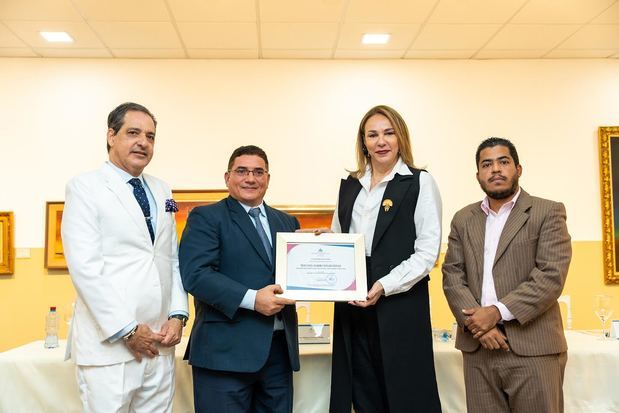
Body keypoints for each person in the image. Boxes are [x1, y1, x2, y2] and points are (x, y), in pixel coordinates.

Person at [61, 102, 189, 412]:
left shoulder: (164, 192)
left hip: (159, 341)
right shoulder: (84, 187)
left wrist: (177, 313)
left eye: (150, 136)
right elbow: (85, 269)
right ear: (110, 136)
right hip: (111, 346)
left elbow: (171, 256)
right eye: (133, 133)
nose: (143, 142)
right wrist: (128, 329)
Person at [442, 137, 572, 412]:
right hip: (479, 350)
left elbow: (550, 276)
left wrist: (496, 313)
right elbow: (453, 275)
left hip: (533, 347)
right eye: (486, 164)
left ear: (518, 169)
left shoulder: (547, 211)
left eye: (503, 162)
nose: (495, 170)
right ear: (478, 174)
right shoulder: (463, 219)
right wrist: (481, 326)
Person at [329, 105, 442, 412]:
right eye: (373, 134)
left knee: (406, 389)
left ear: (400, 137)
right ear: (363, 142)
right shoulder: (349, 185)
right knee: (361, 387)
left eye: (389, 133)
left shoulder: (419, 182)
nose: (381, 141)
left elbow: (428, 251)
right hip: (353, 299)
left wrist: (384, 285)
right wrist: (322, 247)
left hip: (400, 298)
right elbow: (340, 239)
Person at [179, 145, 300, 413]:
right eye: (242, 171)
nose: (250, 178)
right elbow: (196, 276)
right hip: (224, 357)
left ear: (267, 178)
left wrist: (318, 251)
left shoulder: (288, 222)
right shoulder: (206, 217)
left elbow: (297, 275)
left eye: (258, 172)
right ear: (227, 177)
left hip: (278, 355)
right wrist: (253, 299)